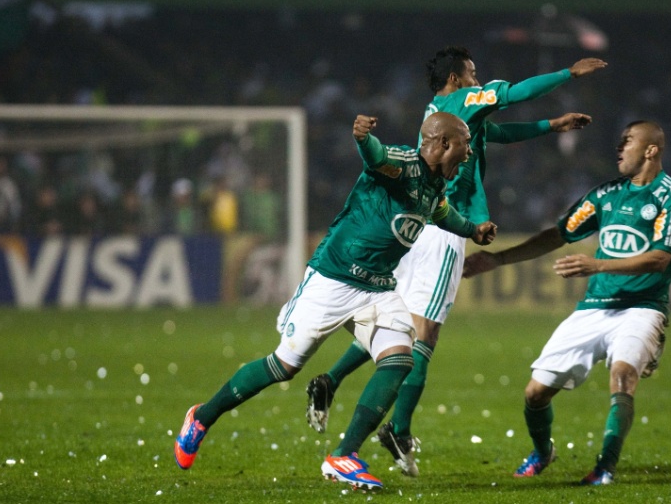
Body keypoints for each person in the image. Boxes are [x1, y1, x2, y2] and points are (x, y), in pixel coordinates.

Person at [304, 45, 606, 477]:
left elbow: (495, 135)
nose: (478, 79)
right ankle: (396, 431)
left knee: (399, 325)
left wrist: (550, 126)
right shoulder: (462, 101)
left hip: (416, 221)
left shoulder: (443, 115)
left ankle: (330, 381)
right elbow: (514, 92)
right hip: (446, 226)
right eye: (472, 72)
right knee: (423, 336)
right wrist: (568, 74)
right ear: (454, 77)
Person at [174, 112, 497, 491]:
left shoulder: (433, 189)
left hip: (377, 286)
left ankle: (345, 455)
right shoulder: (405, 165)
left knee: (399, 359)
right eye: (464, 142)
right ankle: (201, 417)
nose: (469, 149)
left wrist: (473, 229)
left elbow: (443, 214)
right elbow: (378, 158)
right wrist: (363, 139)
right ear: (443, 143)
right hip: (333, 280)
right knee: (284, 366)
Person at [462, 121, 671, 485]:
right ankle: (542, 451)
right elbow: (558, 234)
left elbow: (660, 258)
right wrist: (499, 260)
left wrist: (597, 264)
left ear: (651, 150)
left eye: (628, 141)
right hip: (594, 308)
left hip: (642, 306)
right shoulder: (605, 195)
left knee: (622, 378)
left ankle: (604, 469)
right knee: (535, 393)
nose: (619, 148)